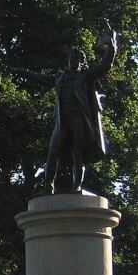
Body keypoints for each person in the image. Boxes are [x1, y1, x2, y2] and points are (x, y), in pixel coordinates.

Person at [44, 26, 117, 194]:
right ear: (68, 59)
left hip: (79, 119)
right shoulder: (59, 78)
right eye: (72, 56)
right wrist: (22, 72)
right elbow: (42, 78)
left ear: (82, 61)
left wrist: (111, 47)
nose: (74, 59)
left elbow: (105, 65)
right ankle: (47, 186)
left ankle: (76, 187)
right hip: (62, 121)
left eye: (77, 57)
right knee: (53, 152)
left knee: (78, 155)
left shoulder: (85, 76)